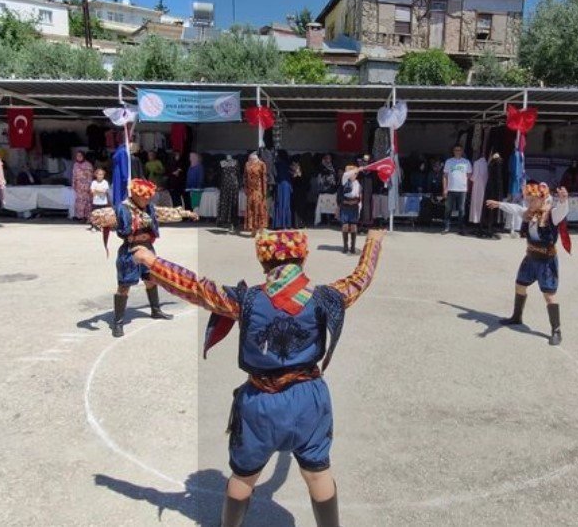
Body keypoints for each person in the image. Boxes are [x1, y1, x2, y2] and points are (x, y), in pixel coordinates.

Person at [130, 228, 386, 527]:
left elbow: (195, 287)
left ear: (262, 261)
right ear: (303, 257)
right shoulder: (325, 298)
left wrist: (153, 261)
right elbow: (360, 279)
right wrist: (373, 243)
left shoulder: (245, 300)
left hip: (260, 402)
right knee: (318, 473)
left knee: (244, 476)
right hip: (309, 401)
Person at [486, 182, 569, 346]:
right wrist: (499, 204)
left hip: (546, 262)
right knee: (519, 285)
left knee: (549, 295)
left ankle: (556, 330)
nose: (529, 203)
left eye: (532, 200)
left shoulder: (551, 215)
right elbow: (515, 209)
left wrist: (563, 200)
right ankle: (517, 317)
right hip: (531, 258)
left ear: (542, 198)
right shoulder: (529, 214)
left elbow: (562, 211)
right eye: (528, 200)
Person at [111, 179, 173, 338]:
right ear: (134, 195)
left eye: (148, 197)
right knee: (124, 285)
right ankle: (117, 322)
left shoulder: (150, 208)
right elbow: (121, 231)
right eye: (143, 197)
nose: (147, 200)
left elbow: (156, 226)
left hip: (148, 247)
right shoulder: (123, 208)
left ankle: (156, 310)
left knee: (151, 278)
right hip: (130, 250)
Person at [443, 145, 472, 235]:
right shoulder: (449, 161)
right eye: (456, 150)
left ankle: (461, 228)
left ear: (462, 151)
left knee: (461, 209)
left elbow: (469, 175)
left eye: (459, 150)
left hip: (462, 189)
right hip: (451, 189)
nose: (457, 151)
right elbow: (445, 176)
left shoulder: (466, 162)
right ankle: (447, 227)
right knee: (448, 209)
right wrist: (445, 188)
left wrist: (466, 185)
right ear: (453, 151)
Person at [338, 165, 362, 254]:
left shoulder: (358, 183)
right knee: (345, 226)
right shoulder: (345, 181)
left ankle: (352, 247)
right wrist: (357, 169)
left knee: (353, 226)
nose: (354, 175)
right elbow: (345, 174)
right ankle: (345, 247)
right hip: (345, 206)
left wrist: (360, 207)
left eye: (355, 174)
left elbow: (359, 197)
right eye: (353, 173)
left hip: (354, 207)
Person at [244, 152, 268, 236]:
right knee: (251, 210)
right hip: (250, 191)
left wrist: (264, 192)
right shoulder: (247, 164)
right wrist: (245, 189)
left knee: (259, 209)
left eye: (253, 158)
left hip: (259, 190)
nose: (251, 159)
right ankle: (253, 230)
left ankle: (261, 229)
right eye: (250, 158)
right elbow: (245, 177)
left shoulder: (262, 164)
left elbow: (264, 178)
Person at [71, 151, 94, 222]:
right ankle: (80, 216)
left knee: (86, 201)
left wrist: (89, 185)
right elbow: (74, 175)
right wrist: (73, 184)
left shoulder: (88, 165)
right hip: (78, 187)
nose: (79, 157)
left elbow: (90, 176)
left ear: (83, 156)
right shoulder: (75, 165)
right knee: (79, 201)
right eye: (77, 156)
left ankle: (87, 217)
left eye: (80, 156)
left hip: (86, 186)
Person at [273, 150, 293, 229]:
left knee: (279, 203)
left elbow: (275, 174)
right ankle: (286, 224)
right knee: (286, 204)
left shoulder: (277, 164)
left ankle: (278, 224)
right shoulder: (288, 164)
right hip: (287, 185)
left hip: (280, 185)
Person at [290, 160, 308, 229]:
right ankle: (295, 224)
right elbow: (292, 183)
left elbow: (306, 183)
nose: (296, 167)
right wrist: (294, 176)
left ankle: (302, 224)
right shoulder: (291, 173)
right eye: (295, 165)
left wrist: (300, 175)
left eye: (297, 165)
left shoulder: (303, 173)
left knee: (302, 209)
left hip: (302, 194)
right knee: (295, 210)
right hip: (295, 194)